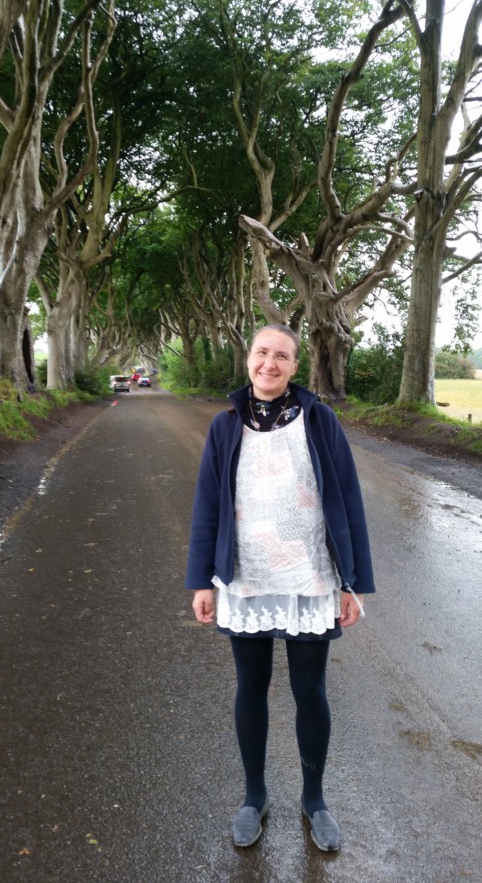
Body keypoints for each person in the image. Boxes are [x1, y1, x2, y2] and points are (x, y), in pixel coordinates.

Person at [185, 324, 374, 852]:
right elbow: (207, 507)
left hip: (309, 579)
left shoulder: (320, 420)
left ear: (296, 366)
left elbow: (349, 501)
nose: (270, 364)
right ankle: (254, 796)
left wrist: (352, 584)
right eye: (262, 353)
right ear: (249, 359)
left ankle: (315, 800)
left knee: (310, 691)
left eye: (282, 356)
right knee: (251, 688)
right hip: (247, 580)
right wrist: (202, 579)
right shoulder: (224, 427)